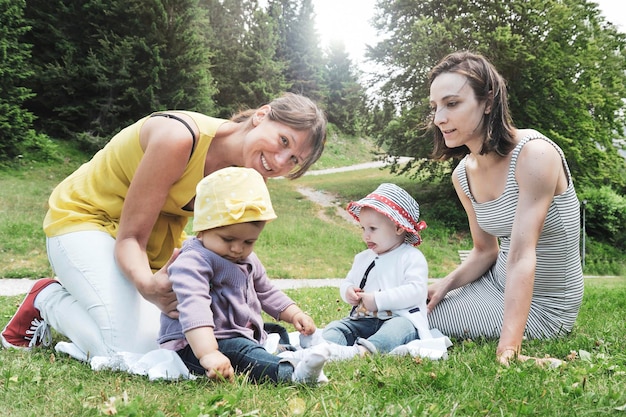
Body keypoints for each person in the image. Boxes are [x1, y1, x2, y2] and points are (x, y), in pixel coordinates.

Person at [1, 93, 327, 362]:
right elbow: (131, 237)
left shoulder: (246, 178)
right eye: (283, 140)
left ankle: (96, 297)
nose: (281, 161)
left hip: (151, 242)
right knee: (129, 348)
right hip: (86, 221)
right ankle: (47, 299)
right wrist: (147, 286)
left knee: (169, 341)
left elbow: (225, 251)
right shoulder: (179, 138)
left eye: (294, 160)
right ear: (261, 115)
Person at [425, 51, 583, 366]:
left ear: (487, 102)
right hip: (496, 282)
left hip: (547, 305)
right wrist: (445, 284)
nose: (439, 118)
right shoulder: (462, 175)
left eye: (452, 104)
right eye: (435, 107)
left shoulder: (535, 155)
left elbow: (523, 254)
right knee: (415, 303)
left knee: (420, 320)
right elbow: (485, 252)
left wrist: (508, 349)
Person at [158, 167, 330, 384]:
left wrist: (294, 313)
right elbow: (195, 309)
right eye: (228, 240)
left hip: (234, 334)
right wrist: (209, 353)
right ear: (202, 229)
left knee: (270, 331)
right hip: (195, 345)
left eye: (248, 242)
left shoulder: (246, 259)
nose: (237, 249)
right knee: (241, 351)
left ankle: (286, 352)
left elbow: (266, 291)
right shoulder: (193, 261)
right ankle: (290, 373)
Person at [320, 183, 430, 359]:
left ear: (398, 227)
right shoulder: (363, 258)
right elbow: (349, 281)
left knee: (397, 330)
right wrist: (348, 292)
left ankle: (363, 352)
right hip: (363, 319)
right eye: (363, 228)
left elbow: (415, 291)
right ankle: (324, 348)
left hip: (400, 319)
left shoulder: (410, 257)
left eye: (373, 229)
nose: (366, 235)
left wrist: (378, 300)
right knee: (338, 327)